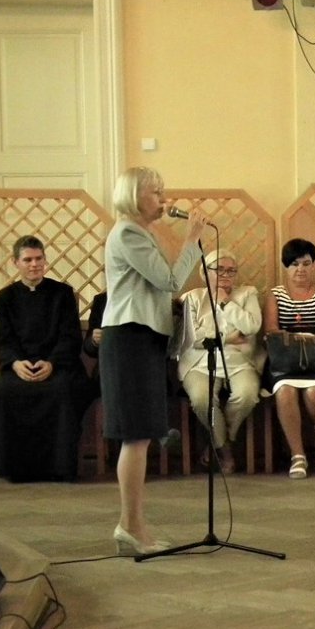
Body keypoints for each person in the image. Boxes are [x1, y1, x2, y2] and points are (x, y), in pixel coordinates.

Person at [100, 167, 207, 555]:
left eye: (163, 190)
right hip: (129, 339)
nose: (164, 198)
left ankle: (134, 526)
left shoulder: (140, 232)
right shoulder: (128, 233)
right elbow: (170, 281)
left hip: (141, 338)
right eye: (155, 192)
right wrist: (192, 240)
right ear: (133, 196)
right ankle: (130, 527)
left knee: (141, 435)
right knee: (136, 435)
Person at [0, 235, 90, 482]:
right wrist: (16, 363)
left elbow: (69, 337)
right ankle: (13, 468)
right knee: (6, 391)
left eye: (39, 259)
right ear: (15, 263)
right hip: (19, 366)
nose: (34, 264)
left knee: (62, 390)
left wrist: (52, 363)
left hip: (59, 366)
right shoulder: (5, 297)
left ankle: (58, 467)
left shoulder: (63, 294)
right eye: (28, 260)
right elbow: (4, 339)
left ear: (45, 260)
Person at [263, 238, 315, 479]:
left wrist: (313, 340)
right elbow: (270, 330)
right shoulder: (276, 294)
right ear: (286, 266)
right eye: (294, 264)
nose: (300, 269)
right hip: (285, 361)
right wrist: (295, 339)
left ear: (313, 265)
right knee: (285, 391)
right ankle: (298, 455)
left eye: (306, 263)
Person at [178, 249, 262, 476]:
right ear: (205, 273)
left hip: (239, 360)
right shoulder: (192, 298)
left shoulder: (247, 294)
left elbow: (251, 326)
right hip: (199, 361)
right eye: (220, 270)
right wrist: (226, 338)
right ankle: (225, 450)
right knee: (202, 399)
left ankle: (217, 442)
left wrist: (225, 303)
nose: (226, 275)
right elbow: (192, 338)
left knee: (247, 394)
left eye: (231, 271)